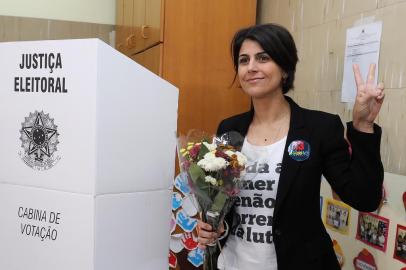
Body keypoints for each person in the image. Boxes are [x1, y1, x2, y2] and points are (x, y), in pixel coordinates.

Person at [197, 23, 384, 270]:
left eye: (263, 58)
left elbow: (365, 198)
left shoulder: (320, 128)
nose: (251, 67)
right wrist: (213, 226)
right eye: (244, 60)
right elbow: (219, 200)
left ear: (285, 69)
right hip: (233, 263)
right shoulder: (229, 129)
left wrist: (363, 127)